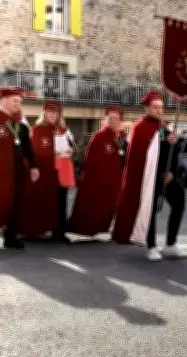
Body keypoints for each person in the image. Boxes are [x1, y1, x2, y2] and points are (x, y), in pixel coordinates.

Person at [112, 91, 186, 261]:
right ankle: (151, 246)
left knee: (179, 202)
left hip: (168, 176)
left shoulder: (165, 126)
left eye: (161, 107)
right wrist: (164, 143)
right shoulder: (140, 128)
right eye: (155, 107)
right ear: (147, 108)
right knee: (150, 209)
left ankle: (170, 244)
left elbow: (173, 153)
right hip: (151, 177)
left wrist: (174, 145)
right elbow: (140, 155)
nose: (159, 110)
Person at [69, 106, 128, 237]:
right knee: (93, 206)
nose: (114, 122)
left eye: (117, 119)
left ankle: (103, 227)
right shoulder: (98, 137)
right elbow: (89, 160)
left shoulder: (120, 138)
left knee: (108, 206)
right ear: (106, 120)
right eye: (111, 119)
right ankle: (86, 229)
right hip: (97, 180)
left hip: (114, 180)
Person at [18, 100, 67, 242]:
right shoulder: (38, 129)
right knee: (41, 201)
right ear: (44, 113)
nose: (52, 115)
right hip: (43, 173)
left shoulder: (62, 130)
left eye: (55, 112)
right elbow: (33, 152)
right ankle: (33, 229)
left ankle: (58, 231)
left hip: (59, 173)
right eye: (49, 112)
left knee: (59, 203)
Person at [0, 87, 40, 249]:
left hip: (17, 172)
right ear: (4, 100)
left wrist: (34, 166)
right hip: (1, 172)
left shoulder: (20, 125)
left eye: (20, 101)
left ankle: (11, 236)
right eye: (15, 101)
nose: (18, 104)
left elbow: (28, 148)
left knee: (15, 203)